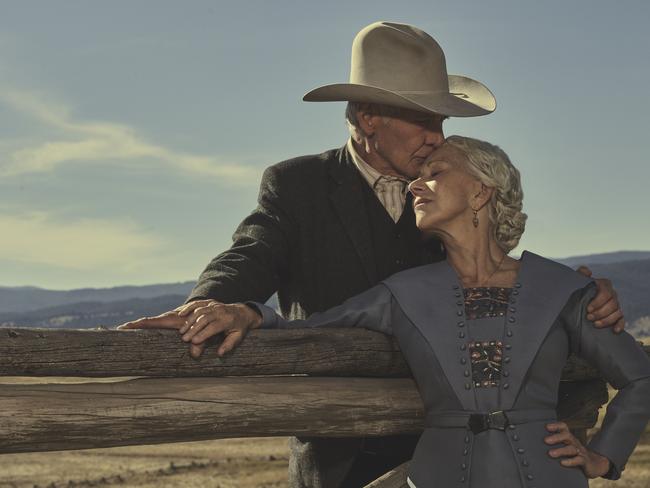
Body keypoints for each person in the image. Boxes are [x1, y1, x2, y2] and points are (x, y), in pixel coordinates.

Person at [118, 22, 625, 488]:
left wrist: (583, 291)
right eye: (423, 119)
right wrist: (218, 303)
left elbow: (504, 275)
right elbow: (251, 252)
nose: (437, 137)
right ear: (368, 115)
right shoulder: (298, 186)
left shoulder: (446, 193)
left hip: (452, 450)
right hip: (338, 448)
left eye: (441, 121)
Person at [173, 136, 650, 487]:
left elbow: (638, 377)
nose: (416, 185)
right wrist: (248, 312)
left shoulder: (562, 287)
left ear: (481, 192)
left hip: (548, 477)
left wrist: (603, 457)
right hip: (438, 475)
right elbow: (311, 328)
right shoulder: (401, 292)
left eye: (435, 173)